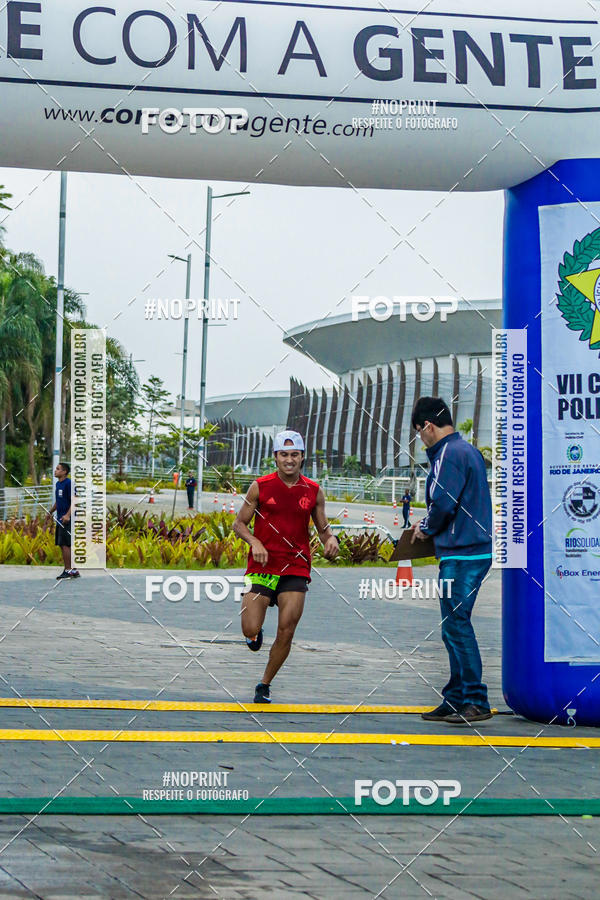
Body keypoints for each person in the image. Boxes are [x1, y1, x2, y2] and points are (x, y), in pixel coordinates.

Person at [233, 430, 339, 703]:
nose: (289, 460)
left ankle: (264, 684)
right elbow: (239, 523)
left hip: (295, 567)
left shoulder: (313, 491)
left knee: (287, 628)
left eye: (294, 455)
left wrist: (331, 539)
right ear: (275, 457)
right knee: (249, 627)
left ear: (302, 457)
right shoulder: (260, 486)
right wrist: (254, 541)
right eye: (284, 455)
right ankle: (254, 634)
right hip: (262, 566)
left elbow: (323, 528)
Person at [410, 397, 492, 724]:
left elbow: (443, 503)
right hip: (471, 550)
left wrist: (425, 529)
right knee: (452, 628)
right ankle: (456, 697)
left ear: (428, 426)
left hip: (462, 553)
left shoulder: (448, 454)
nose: (421, 440)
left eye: (419, 433)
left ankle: (475, 699)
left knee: (457, 627)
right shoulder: (467, 450)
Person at [49, 462, 80, 580]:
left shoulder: (69, 484)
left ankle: (68, 571)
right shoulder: (58, 484)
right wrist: (50, 512)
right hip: (60, 518)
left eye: (58, 469)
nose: (55, 471)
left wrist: (67, 515)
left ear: (64, 472)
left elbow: (75, 501)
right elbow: (58, 501)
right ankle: (74, 570)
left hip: (67, 519)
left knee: (65, 544)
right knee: (64, 545)